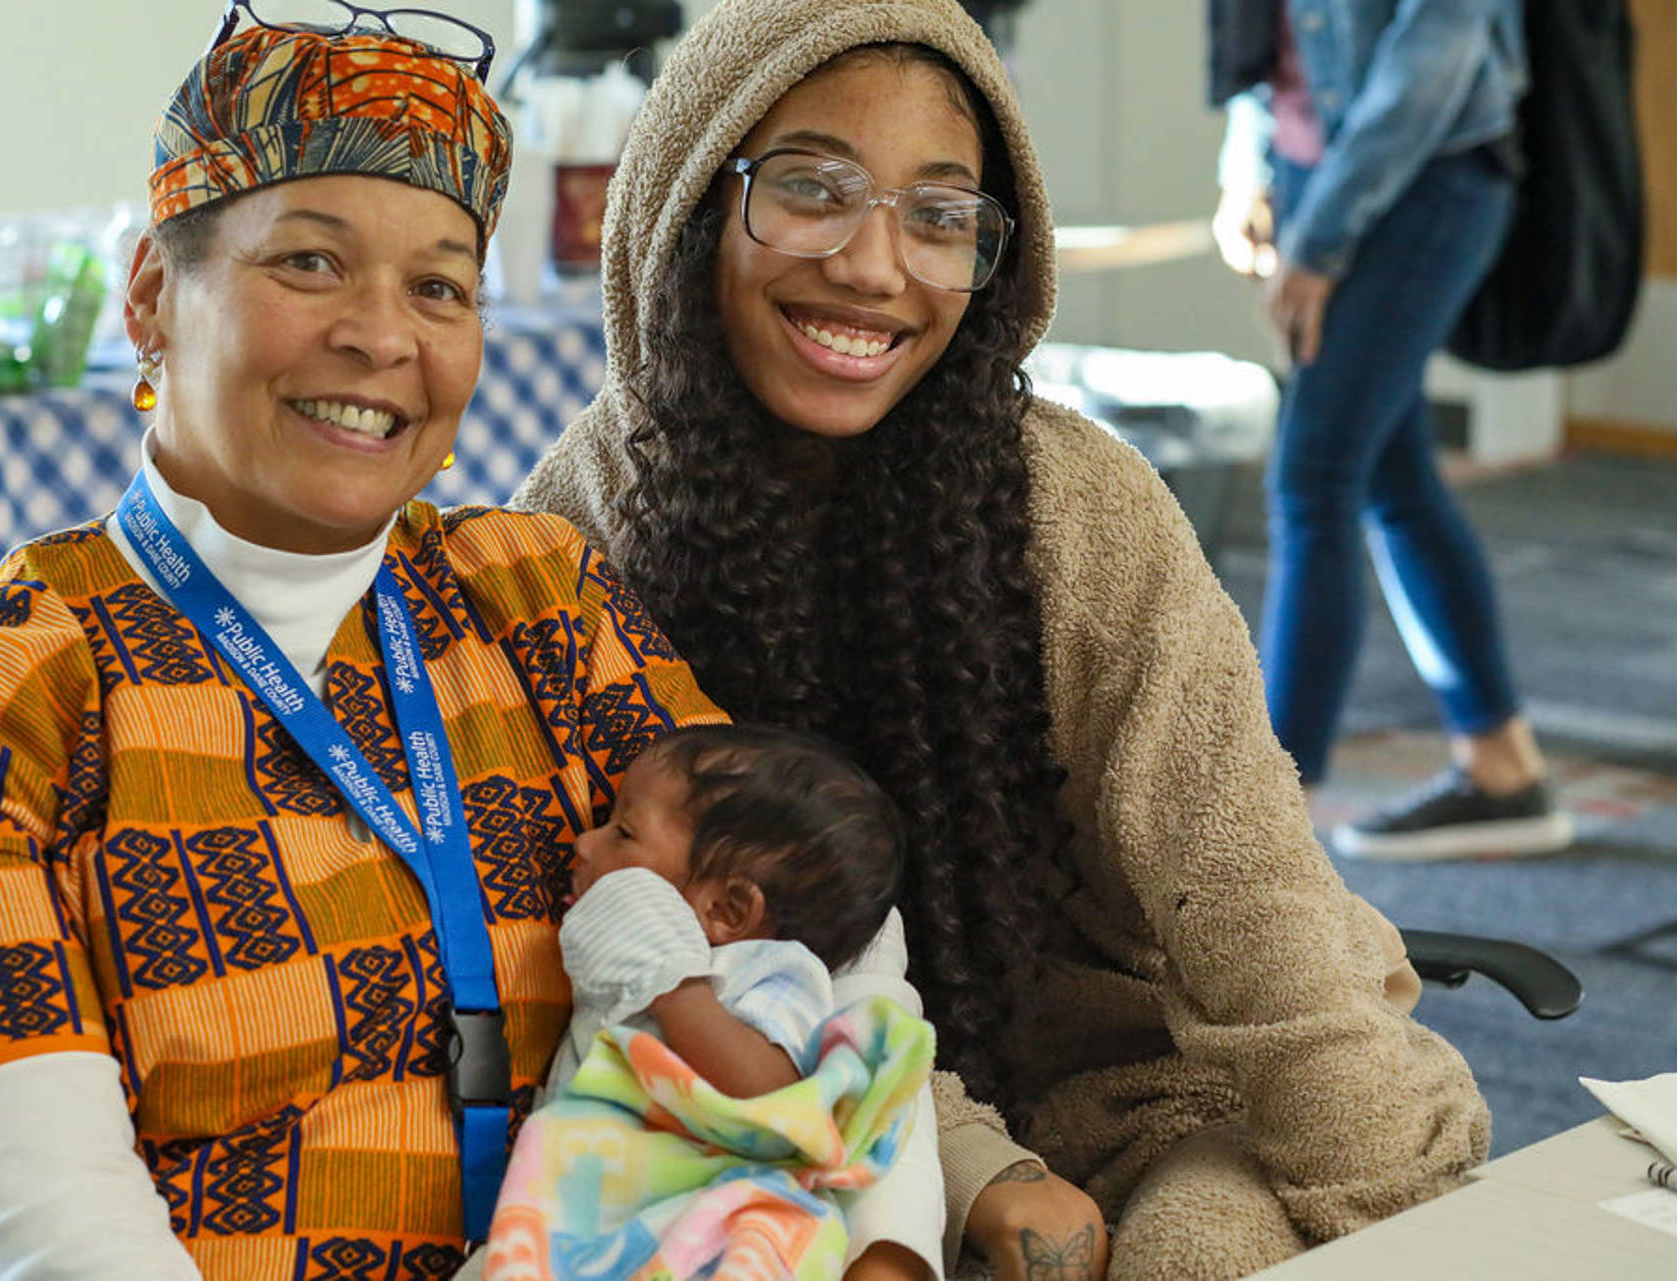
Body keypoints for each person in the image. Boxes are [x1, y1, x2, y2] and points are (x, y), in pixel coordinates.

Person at [0, 11, 947, 1279]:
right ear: (150, 296)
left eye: (439, 287)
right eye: (309, 263)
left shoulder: (535, 597)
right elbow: (37, 1240)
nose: (383, 336)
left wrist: (884, 1248)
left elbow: (824, 940)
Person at [514, 1, 1489, 1278]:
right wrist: (965, 1162)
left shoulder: (1073, 506)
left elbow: (1253, 906)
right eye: (811, 188)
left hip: (1154, 1095)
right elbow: (633, 936)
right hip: (760, 1106)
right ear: (688, 201)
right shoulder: (581, 533)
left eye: (939, 216)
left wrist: (1412, 1207)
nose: (876, 267)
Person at [1209, 0, 1575, 861]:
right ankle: (1501, 766)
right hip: (1312, 168)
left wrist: (1322, 239)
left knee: (1314, 475)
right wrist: (1246, 165)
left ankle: (1259, 829)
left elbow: (1435, 56)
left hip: (1423, 175)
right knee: (1391, 477)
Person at [547, 723, 907, 1099]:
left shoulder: (764, 974)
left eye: (624, 832)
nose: (583, 844)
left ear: (726, 910)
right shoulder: (627, 956)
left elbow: (775, 1096)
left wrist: (679, 991)